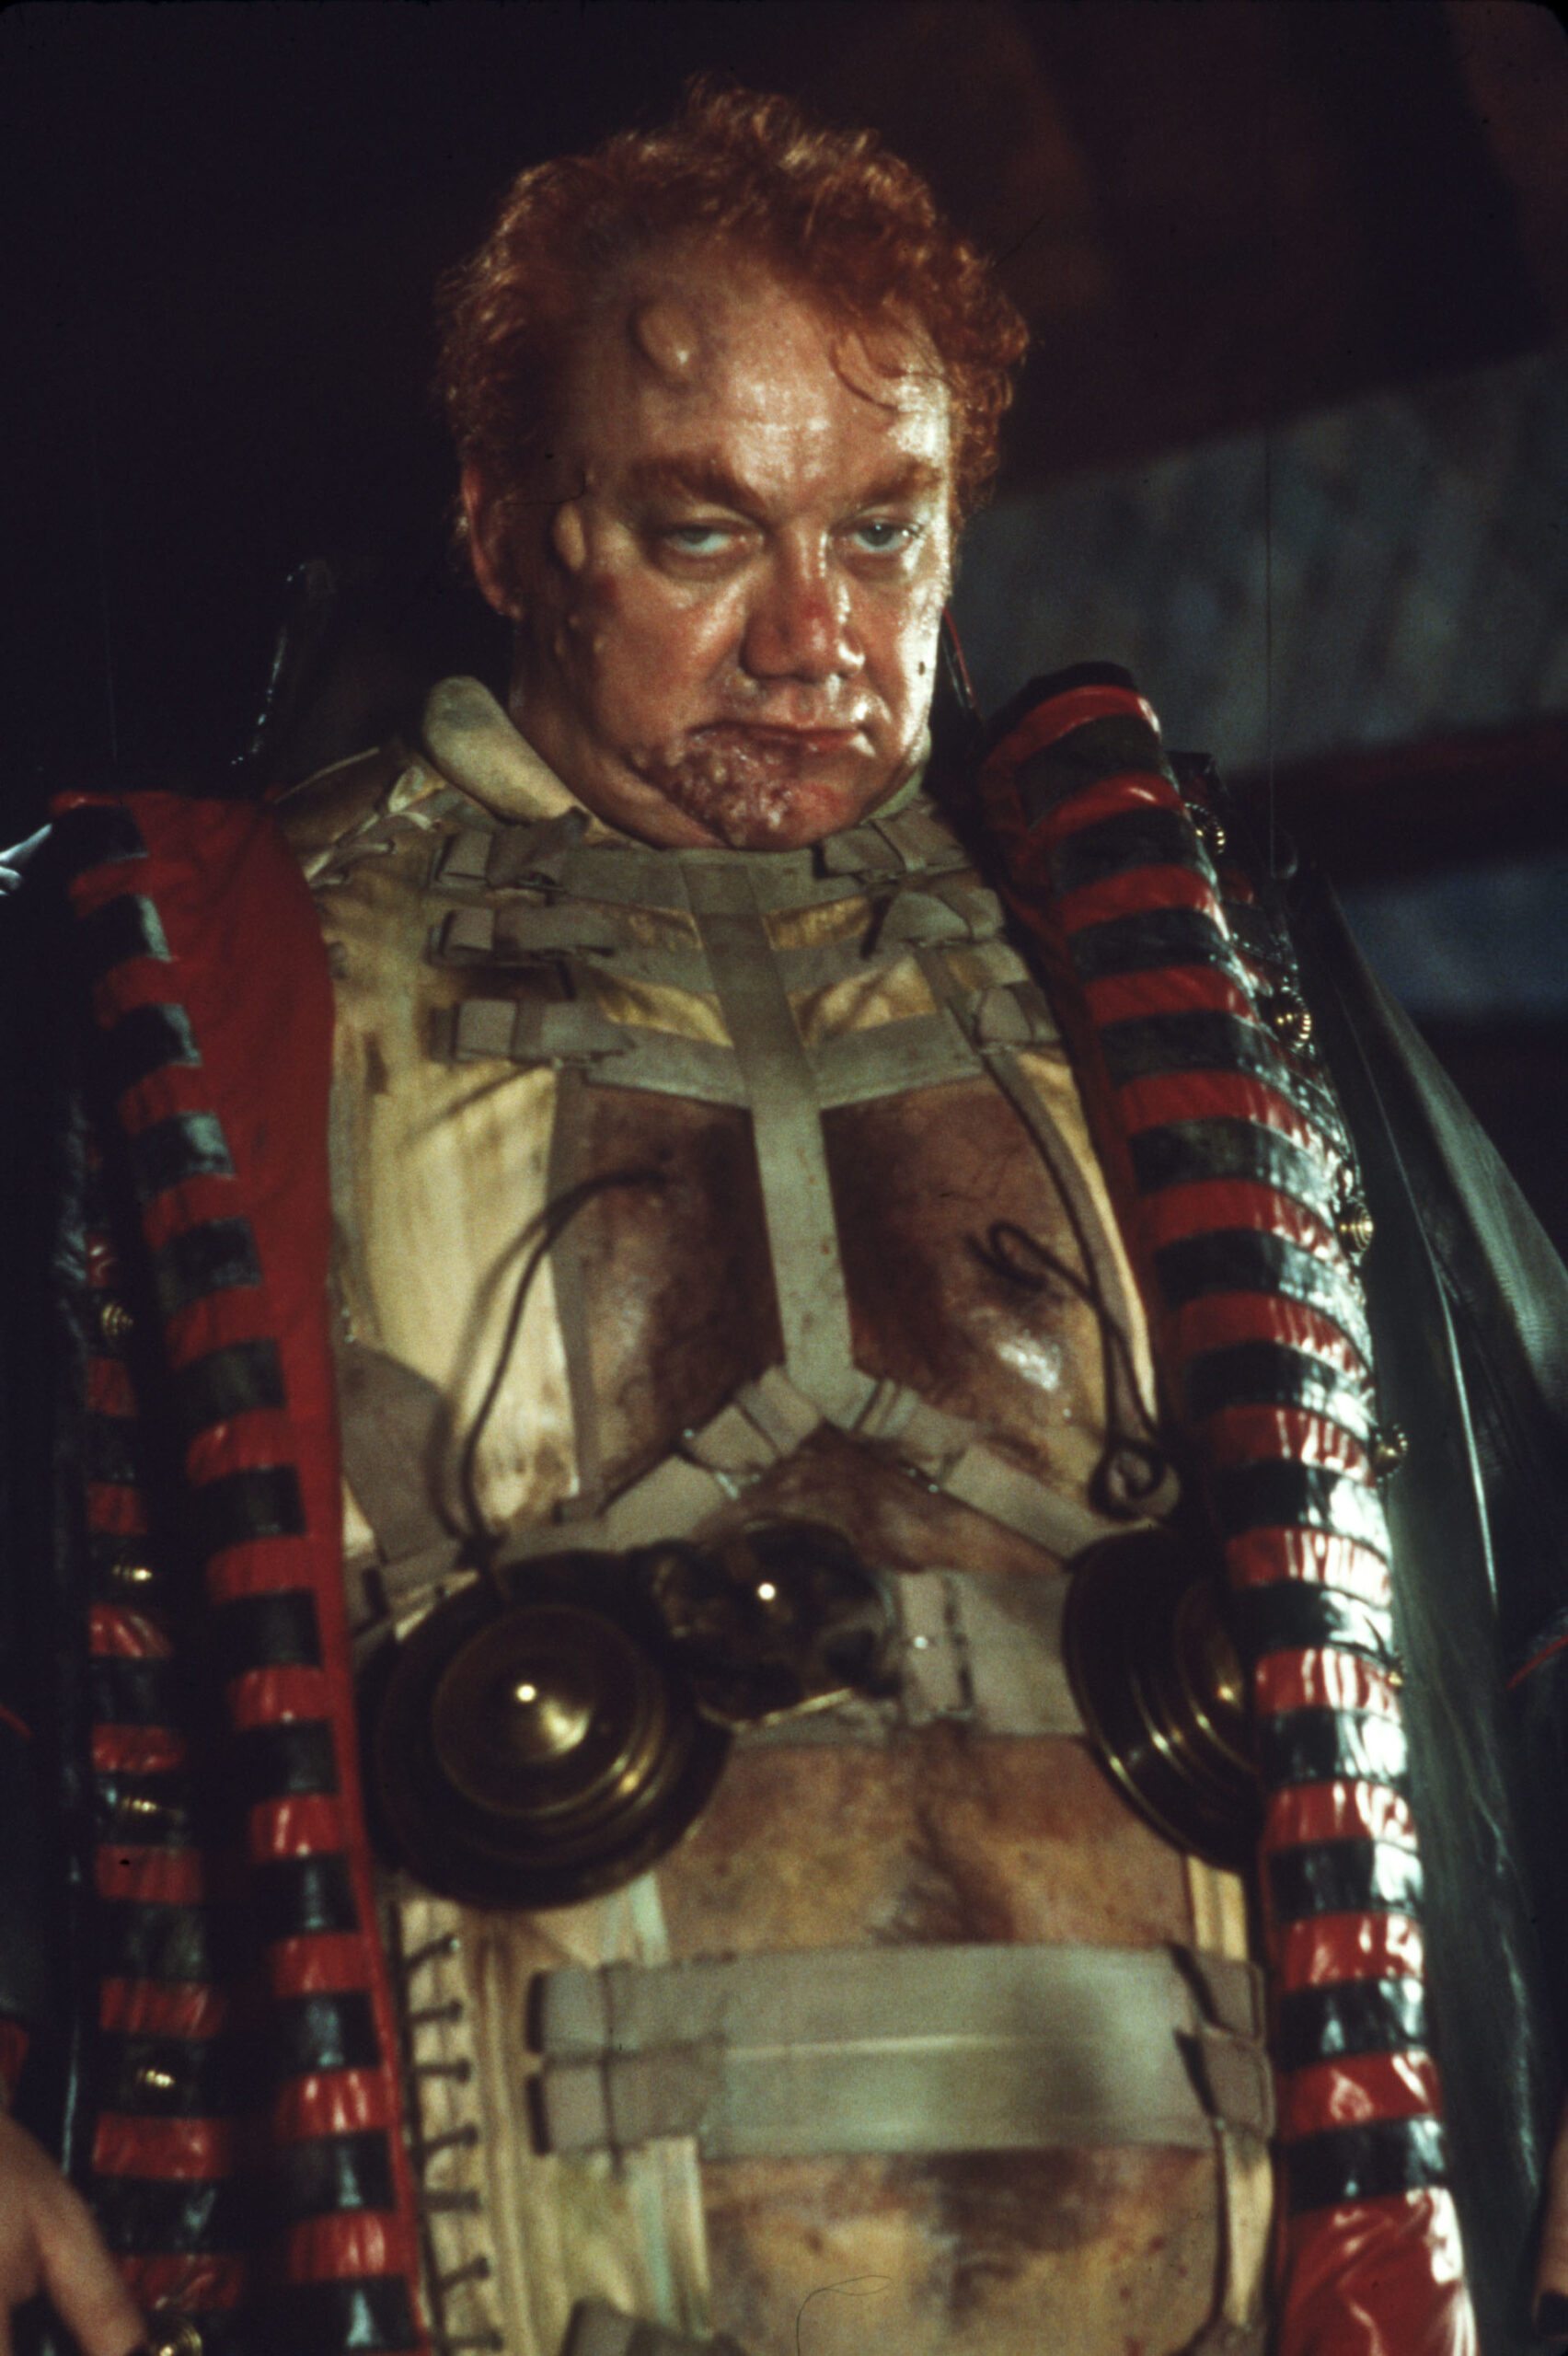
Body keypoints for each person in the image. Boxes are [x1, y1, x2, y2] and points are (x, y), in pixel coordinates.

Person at [4, 79, 1568, 2356]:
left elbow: (1542, 1568)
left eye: (886, 529)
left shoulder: (1210, 984)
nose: (813, 635)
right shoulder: (191, 985)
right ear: (510, 527)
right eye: (702, 533)